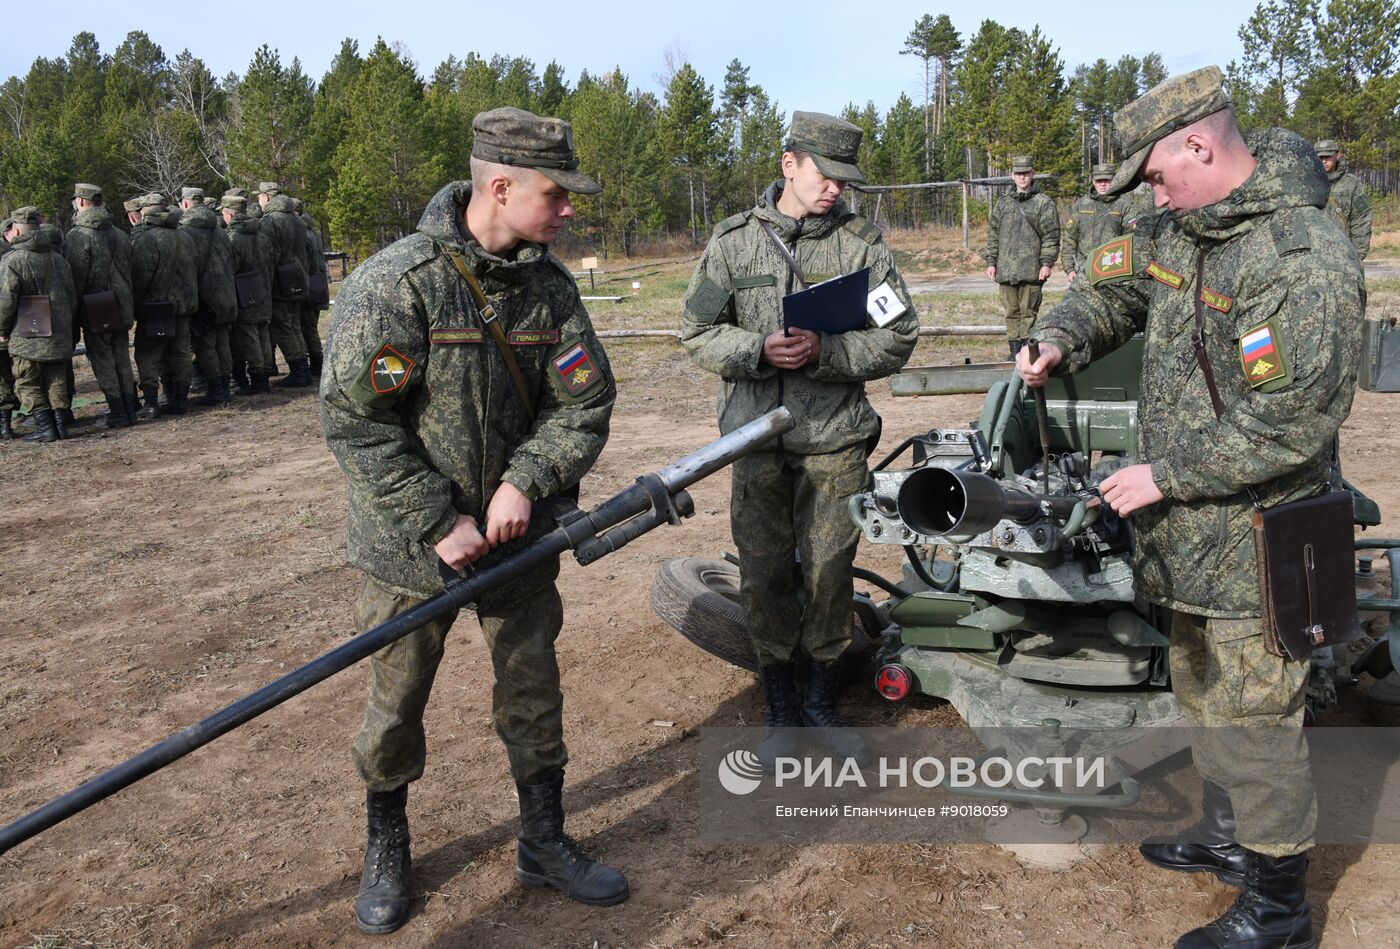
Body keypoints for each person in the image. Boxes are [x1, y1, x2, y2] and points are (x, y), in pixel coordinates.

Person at [1017, 66, 1363, 948]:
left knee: (1260, 718)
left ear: (1200, 146)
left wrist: (1162, 475)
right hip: (1193, 540)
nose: (1151, 194)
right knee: (1203, 688)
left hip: (1263, 537)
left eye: (1158, 174)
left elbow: (1289, 422)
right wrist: (1060, 335)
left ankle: (1279, 906)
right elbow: (1115, 287)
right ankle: (1225, 834)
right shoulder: (1186, 224)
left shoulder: (1300, 259)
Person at [321, 106, 624, 935]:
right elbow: (356, 420)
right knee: (397, 700)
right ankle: (387, 844)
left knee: (533, 689)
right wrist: (433, 519)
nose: (568, 212)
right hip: (409, 553)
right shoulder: (397, 285)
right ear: (500, 186)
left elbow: (585, 401)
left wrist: (526, 480)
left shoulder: (549, 290)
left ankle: (543, 837)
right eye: (556, 195)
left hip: (517, 544)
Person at [679, 111, 918, 768]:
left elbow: (899, 335)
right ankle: (779, 705)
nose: (836, 189)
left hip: (834, 443)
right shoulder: (733, 244)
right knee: (761, 576)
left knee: (829, 574)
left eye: (846, 178)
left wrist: (828, 349)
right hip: (756, 444)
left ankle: (819, 701)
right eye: (825, 174)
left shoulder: (863, 251)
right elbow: (697, 331)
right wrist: (756, 348)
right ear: (789, 164)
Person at [0, 207, 77, 442]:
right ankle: (60, 426)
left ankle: (45, 428)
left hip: (28, 330)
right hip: (58, 328)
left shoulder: (13, 260)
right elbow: (71, 295)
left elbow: (6, 301)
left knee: (26, 379)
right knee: (56, 377)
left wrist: (2, 330)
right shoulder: (58, 259)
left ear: (15, 229)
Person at [66, 183, 138, 429]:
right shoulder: (119, 233)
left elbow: (76, 280)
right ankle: (130, 407)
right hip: (122, 303)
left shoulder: (78, 237)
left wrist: (73, 317)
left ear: (82, 202)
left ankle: (118, 410)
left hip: (96, 307)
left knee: (103, 359)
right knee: (122, 357)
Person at [984, 155, 1059, 357]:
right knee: (1011, 313)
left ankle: (1027, 353)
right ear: (1012, 176)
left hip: (1032, 269)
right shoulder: (1003, 204)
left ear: (1032, 174)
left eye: (1025, 173)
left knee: (1028, 314)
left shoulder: (1044, 204)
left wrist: (1046, 263)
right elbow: (993, 235)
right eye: (1018, 174)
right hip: (1006, 269)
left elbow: (1051, 236)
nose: (1022, 177)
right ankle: (1014, 353)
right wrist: (991, 262)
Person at [130, 194, 193, 418]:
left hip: (155, 307)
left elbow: (139, 279)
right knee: (181, 353)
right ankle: (181, 399)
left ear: (146, 211)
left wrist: (135, 307)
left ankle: (151, 402)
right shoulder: (185, 236)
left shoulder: (147, 239)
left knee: (148, 355)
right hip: (184, 306)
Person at [179, 186, 239, 406]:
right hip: (226, 296)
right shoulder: (220, 230)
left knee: (206, 347)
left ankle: (216, 390)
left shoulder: (187, 232)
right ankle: (224, 387)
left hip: (205, 299)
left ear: (185, 204)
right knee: (223, 344)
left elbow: (187, 270)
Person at [257, 181, 314, 387]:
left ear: (268, 198)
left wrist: (265, 286)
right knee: (294, 325)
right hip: (298, 278)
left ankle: (298, 370)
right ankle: (303, 369)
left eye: (260, 197)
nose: (259, 201)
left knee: (282, 327)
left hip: (279, 283)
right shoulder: (297, 220)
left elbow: (269, 256)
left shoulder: (270, 221)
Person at [221, 194, 275, 394]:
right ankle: (264, 375)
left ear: (229, 214)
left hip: (243, 294)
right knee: (263, 335)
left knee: (250, 338)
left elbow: (229, 270)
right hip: (263, 291)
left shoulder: (232, 238)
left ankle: (258, 379)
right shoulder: (262, 236)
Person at [1061, 163, 1124, 283]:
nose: (1103, 184)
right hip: (1084, 271)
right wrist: (1069, 269)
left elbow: (1132, 239)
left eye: (1107, 180)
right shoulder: (1081, 205)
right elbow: (1070, 238)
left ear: (1113, 180)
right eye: (1099, 181)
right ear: (1093, 182)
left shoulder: (1124, 205)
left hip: (1114, 272)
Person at [1314, 139, 1372, 261]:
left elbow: (1361, 217)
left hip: (1343, 252)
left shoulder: (1351, 184)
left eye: (1328, 157)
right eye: (1320, 157)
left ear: (1337, 155)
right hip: (1314, 252)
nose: (1324, 161)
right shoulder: (1306, 182)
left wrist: (1358, 253)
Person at [292, 197, 328, 376]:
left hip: (310, 283)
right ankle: (316, 362)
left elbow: (309, 263)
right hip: (318, 283)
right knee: (310, 325)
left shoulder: (304, 234)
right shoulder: (313, 232)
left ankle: (316, 364)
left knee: (307, 326)